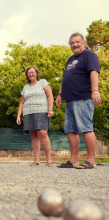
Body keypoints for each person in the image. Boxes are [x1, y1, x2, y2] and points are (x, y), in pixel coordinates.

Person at [56, 32, 101, 169]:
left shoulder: (89, 55)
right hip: (69, 100)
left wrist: (95, 91)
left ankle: (91, 161)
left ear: (83, 42)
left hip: (83, 98)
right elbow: (66, 78)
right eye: (72, 43)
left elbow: (94, 72)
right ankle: (73, 160)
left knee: (86, 128)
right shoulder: (70, 59)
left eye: (77, 42)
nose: (75, 45)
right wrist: (59, 94)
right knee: (71, 130)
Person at [16, 65, 54, 166]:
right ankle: (36, 160)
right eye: (29, 73)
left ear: (37, 73)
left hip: (41, 110)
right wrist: (19, 115)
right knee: (33, 135)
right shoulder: (25, 87)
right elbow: (22, 102)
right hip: (28, 112)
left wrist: (50, 109)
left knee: (42, 133)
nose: (31, 74)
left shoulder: (43, 82)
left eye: (32, 72)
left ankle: (49, 160)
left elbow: (50, 96)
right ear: (27, 76)